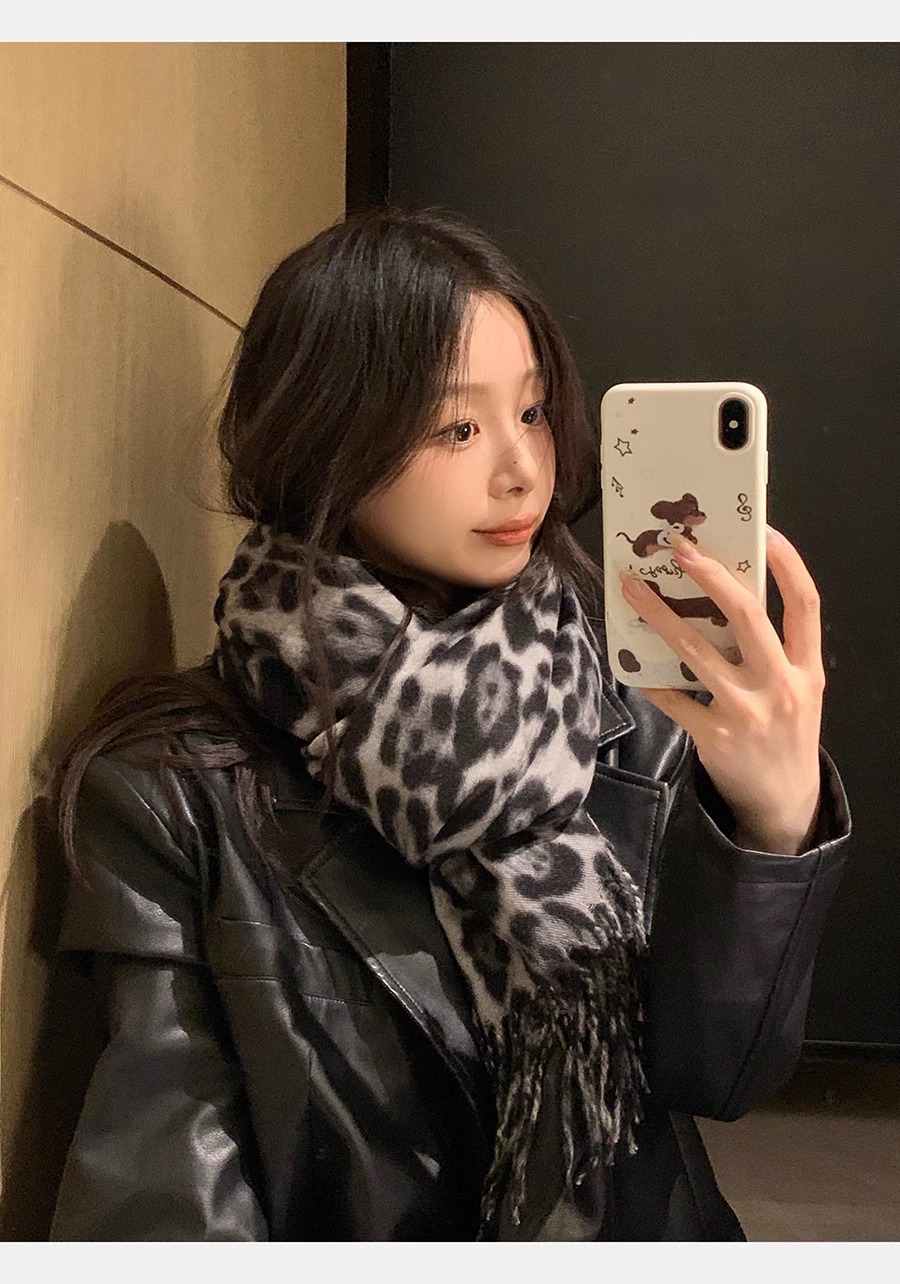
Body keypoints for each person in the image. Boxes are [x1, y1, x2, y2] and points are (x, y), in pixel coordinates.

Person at [49, 205, 851, 1241]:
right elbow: (166, 1207)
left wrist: (773, 826)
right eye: (456, 428)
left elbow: (718, 1075)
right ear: (323, 437)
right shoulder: (178, 794)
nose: (523, 469)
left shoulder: (619, 713)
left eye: (534, 410)